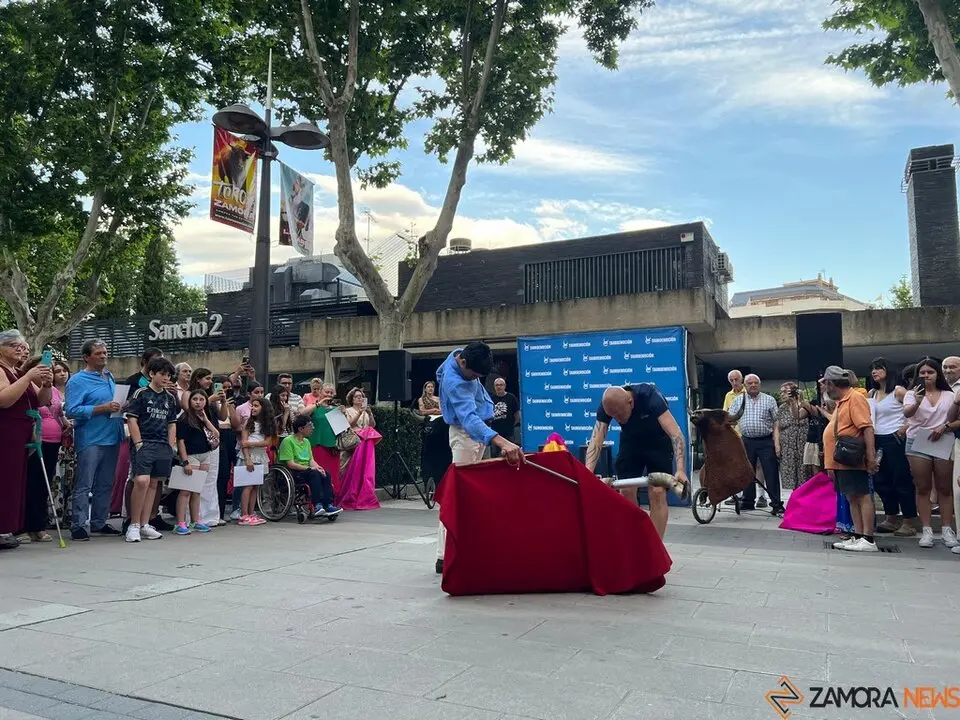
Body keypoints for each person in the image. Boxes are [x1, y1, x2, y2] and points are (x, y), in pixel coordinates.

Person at [434, 342, 523, 574]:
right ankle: (443, 555)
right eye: (473, 375)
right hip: (467, 434)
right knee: (456, 495)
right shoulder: (454, 383)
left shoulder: (458, 353)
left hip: (477, 433)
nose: (475, 379)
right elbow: (469, 419)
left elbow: (439, 372)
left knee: (467, 495)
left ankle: (459, 549)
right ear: (463, 362)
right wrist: (502, 442)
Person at [584, 384, 690, 538]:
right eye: (614, 417)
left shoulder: (649, 395)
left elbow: (676, 434)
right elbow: (596, 440)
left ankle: (654, 545)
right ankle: (637, 539)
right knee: (626, 490)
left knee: (657, 492)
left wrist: (680, 469)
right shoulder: (608, 404)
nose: (618, 419)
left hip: (658, 442)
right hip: (631, 442)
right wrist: (587, 473)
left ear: (630, 402)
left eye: (620, 415)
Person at [65, 339, 124, 541]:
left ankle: (99, 521)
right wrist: (102, 408)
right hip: (91, 438)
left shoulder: (109, 376)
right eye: (98, 353)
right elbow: (71, 410)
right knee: (85, 483)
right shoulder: (77, 381)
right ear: (86, 357)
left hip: (112, 436)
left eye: (105, 352)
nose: (103, 356)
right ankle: (78, 525)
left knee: (106, 483)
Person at [0, 330, 52, 550]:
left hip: (23, 430)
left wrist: (46, 384)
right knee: (5, 479)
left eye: (23, 347)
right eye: (15, 345)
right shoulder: (3, 370)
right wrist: (28, 377)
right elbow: (4, 399)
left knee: (16, 481)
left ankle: (9, 527)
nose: (21, 350)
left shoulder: (19, 372)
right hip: (5, 430)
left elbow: (41, 401)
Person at [822, 366, 879, 552]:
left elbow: (867, 427)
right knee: (851, 497)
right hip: (841, 460)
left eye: (826, 384)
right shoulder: (842, 401)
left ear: (832, 384)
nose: (825, 388)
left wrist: (870, 456)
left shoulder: (855, 398)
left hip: (853, 458)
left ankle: (868, 538)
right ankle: (858, 535)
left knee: (862, 495)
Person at [124, 357, 180, 543]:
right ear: (152, 374)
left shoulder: (170, 398)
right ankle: (133, 524)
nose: (166, 378)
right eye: (162, 374)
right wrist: (138, 443)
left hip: (162, 445)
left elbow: (172, 423)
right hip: (144, 443)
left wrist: (170, 445)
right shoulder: (140, 393)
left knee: (155, 484)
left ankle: (145, 524)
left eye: (168, 375)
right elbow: (132, 419)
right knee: (141, 481)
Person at [903, 357, 957, 549]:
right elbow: (907, 413)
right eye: (922, 372)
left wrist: (945, 426)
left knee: (944, 487)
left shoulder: (949, 395)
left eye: (930, 372)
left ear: (937, 374)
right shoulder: (912, 393)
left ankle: (947, 529)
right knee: (923, 487)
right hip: (918, 440)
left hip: (943, 439)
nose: (926, 376)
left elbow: (955, 417)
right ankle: (926, 530)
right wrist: (917, 402)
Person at [114, 348, 166, 525]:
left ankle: (152, 516)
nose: (160, 363)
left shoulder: (166, 386)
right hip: (141, 436)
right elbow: (126, 408)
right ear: (145, 361)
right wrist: (138, 442)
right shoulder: (133, 381)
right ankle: (131, 518)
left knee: (156, 479)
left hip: (160, 436)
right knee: (137, 478)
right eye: (156, 360)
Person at [21, 358, 70, 543]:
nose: (46, 372)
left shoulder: (53, 389)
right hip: (34, 441)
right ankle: (24, 526)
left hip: (53, 441)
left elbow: (57, 411)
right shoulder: (26, 386)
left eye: (49, 369)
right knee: (30, 484)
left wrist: (65, 423)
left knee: (44, 484)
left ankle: (39, 525)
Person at [867, 357, 916, 537]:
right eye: (873, 369)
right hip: (877, 438)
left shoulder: (899, 391)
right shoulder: (872, 393)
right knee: (881, 480)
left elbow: (917, 411)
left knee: (901, 479)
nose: (874, 372)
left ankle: (909, 521)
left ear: (888, 370)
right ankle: (891, 517)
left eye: (879, 368)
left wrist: (905, 427)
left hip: (895, 438)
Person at [728, 374, 784, 516]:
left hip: (766, 441)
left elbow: (776, 422)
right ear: (745, 385)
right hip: (746, 440)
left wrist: (777, 443)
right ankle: (748, 501)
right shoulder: (738, 400)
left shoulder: (769, 400)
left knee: (770, 472)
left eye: (755, 383)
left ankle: (776, 504)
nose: (753, 385)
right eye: (750, 383)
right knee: (746, 472)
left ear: (759, 384)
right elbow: (730, 420)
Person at [277, 415, 341, 518]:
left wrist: (319, 468)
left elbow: (311, 460)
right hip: (293, 472)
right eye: (310, 426)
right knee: (314, 473)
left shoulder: (306, 442)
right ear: (300, 429)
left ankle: (328, 504)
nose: (313, 428)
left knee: (325, 473)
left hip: (307, 471)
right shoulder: (288, 441)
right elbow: (290, 464)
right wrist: (310, 468)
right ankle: (317, 505)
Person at [174, 390, 219, 535]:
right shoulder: (184, 418)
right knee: (185, 490)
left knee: (197, 490)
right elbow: (180, 442)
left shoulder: (205, 416)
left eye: (201, 399)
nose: (198, 402)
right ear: (190, 401)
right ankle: (180, 523)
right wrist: (185, 461)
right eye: (195, 399)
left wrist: (206, 420)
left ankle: (196, 520)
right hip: (191, 455)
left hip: (205, 455)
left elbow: (216, 434)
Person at [238, 397, 276, 526]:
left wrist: (249, 443)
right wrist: (248, 459)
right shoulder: (248, 423)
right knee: (248, 486)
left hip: (261, 456)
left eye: (256, 406)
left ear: (263, 408)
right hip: (250, 456)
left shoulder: (268, 425)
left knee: (256, 486)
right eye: (252, 406)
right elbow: (243, 443)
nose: (253, 408)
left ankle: (251, 513)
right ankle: (244, 514)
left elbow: (267, 442)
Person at [300, 383, 342, 494]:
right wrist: (319, 403)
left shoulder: (336, 408)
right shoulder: (314, 406)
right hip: (317, 444)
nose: (329, 394)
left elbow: (342, 428)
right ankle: (317, 497)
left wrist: (343, 415)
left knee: (332, 473)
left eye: (331, 393)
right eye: (326, 392)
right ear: (321, 392)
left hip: (333, 447)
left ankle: (331, 497)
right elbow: (302, 413)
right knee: (319, 472)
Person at [775, 381, 810, 491]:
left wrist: (794, 401)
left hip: (802, 445)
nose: (782, 394)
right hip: (787, 447)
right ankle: (795, 496)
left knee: (804, 473)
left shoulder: (804, 405)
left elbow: (797, 416)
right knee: (790, 474)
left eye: (785, 392)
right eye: (781, 392)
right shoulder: (781, 408)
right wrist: (777, 445)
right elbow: (777, 427)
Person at [339, 387, 375, 473]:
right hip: (351, 443)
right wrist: (359, 413)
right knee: (348, 468)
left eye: (361, 396)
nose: (359, 398)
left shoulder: (366, 412)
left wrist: (370, 414)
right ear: (352, 399)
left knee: (362, 468)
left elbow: (372, 425)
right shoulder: (347, 411)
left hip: (364, 444)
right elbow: (349, 425)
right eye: (356, 396)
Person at [489, 378, 519, 459]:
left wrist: (511, 425)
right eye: (497, 385)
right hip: (495, 433)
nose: (499, 387)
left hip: (509, 433)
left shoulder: (511, 398)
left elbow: (517, 415)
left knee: (510, 454)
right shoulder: (490, 399)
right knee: (494, 454)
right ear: (494, 387)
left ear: (505, 386)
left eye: (501, 385)